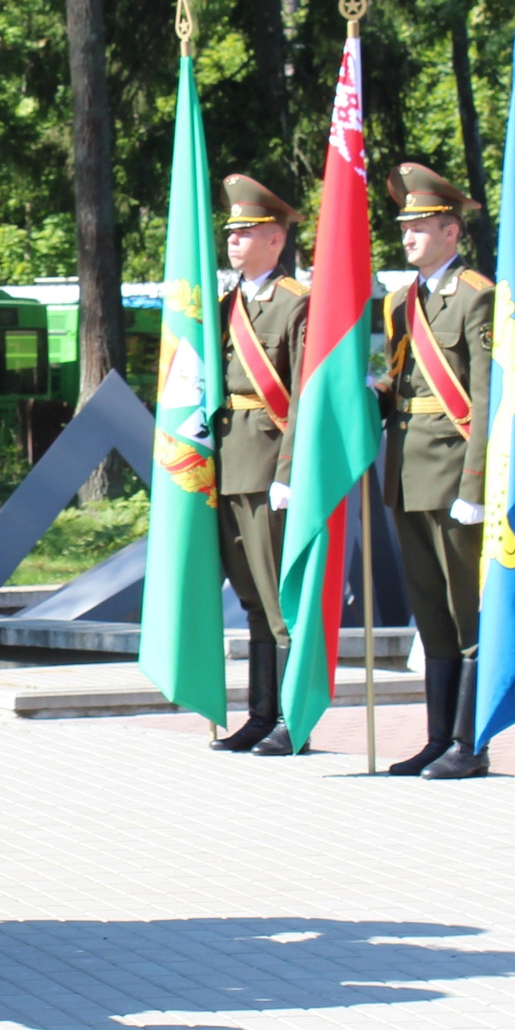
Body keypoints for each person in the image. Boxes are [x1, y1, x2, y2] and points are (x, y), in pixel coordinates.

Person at [378, 164, 495, 778]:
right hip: (408, 470)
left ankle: (469, 743)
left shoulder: (476, 295)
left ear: (452, 232)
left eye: (421, 226)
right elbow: (402, 387)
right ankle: (437, 737)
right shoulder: (403, 302)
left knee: (465, 612)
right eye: (406, 227)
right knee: (431, 613)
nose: (409, 237)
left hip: (454, 474)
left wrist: (475, 486)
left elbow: (487, 394)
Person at [208, 174, 308, 756]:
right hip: (228, 462)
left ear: (275, 238)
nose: (234, 241)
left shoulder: (296, 304)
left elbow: (303, 398)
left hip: (270, 463)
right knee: (249, 597)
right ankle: (259, 714)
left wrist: (289, 472)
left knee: (278, 601)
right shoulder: (226, 307)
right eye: (231, 232)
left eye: (247, 232)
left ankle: (291, 718)